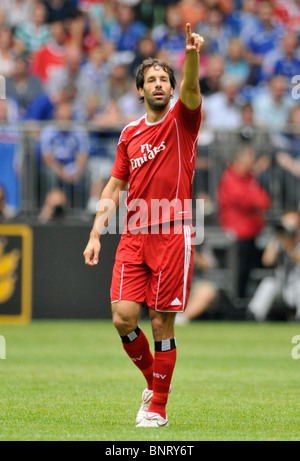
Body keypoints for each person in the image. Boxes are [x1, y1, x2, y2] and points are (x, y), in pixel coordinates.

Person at [83, 23, 204, 428]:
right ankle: (155, 381)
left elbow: (192, 89)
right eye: (150, 79)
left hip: (173, 230)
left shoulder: (182, 122)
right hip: (134, 232)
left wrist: (190, 57)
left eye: (163, 79)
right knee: (122, 317)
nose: (158, 84)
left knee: (160, 322)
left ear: (171, 89)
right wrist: (97, 231)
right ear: (139, 90)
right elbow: (115, 184)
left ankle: (158, 409)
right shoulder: (129, 134)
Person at [217, 144, 271, 298]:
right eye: (250, 159)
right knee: (238, 273)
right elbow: (246, 200)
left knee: (248, 272)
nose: (253, 163)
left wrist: (254, 199)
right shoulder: (230, 178)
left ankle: (243, 301)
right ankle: (235, 301)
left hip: (251, 233)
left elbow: (265, 202)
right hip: (238, 235)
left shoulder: (250, 178)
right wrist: (254, 199)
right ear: (239, 160)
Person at [248, 210, 300, 321]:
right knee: (269, 283)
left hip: (297, 286)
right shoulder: (279, 240)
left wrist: (290, 248)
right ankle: (254, 315)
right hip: (282, 287)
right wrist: (278, 240)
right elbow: (267, 261)